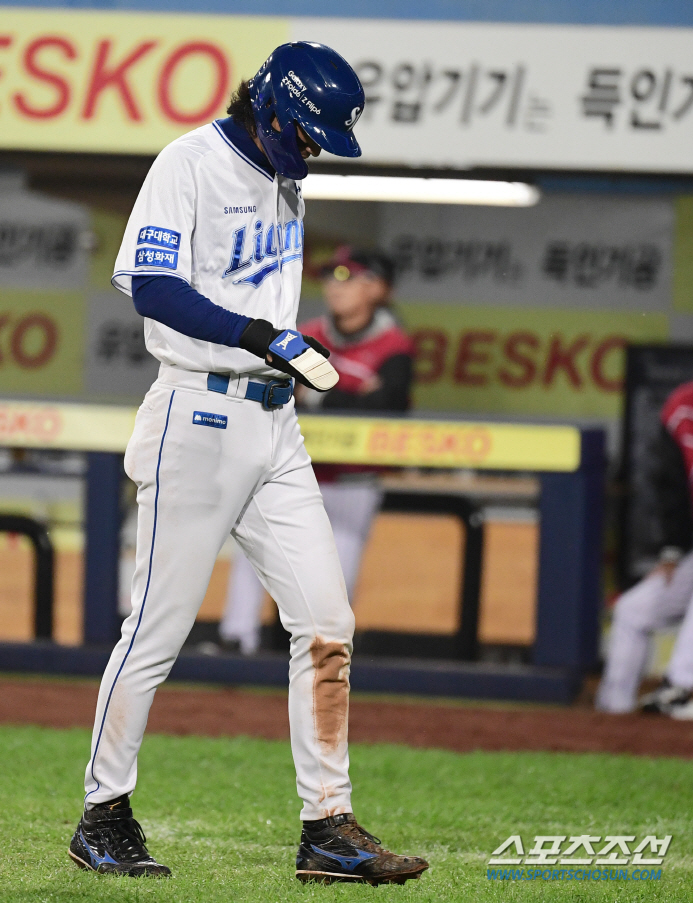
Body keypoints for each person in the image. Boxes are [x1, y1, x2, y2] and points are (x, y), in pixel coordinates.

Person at [68, 42, 429, 886]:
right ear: (267, 106)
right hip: (196, 413)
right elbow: (153, 286)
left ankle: (327, 827)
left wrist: (278, 350)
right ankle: (103, 813)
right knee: (157, 629)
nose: (309, 152)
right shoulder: (189, 161)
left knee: (328, 621)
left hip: (276, 427)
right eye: (303, 135)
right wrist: (262, 336)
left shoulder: (285, 172)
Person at [218, 246, 414, 654]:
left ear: (376, 287)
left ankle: (321, 657)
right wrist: (350, 394)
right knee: (254, 552)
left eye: (348, 278)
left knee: (334, 586)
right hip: (291, 469)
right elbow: (277, 390)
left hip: (351, 482)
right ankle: (237, 642)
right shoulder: (306, 333)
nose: (334, 288)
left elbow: (388, 406)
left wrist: (320, 395)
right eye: (331, 278)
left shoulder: (394, 346)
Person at [596, 376, 693, 719]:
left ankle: (680, 687)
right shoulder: (682, 405)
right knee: (632, 611)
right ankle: (616, 713)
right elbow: (670, 486)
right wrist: (672, 551)